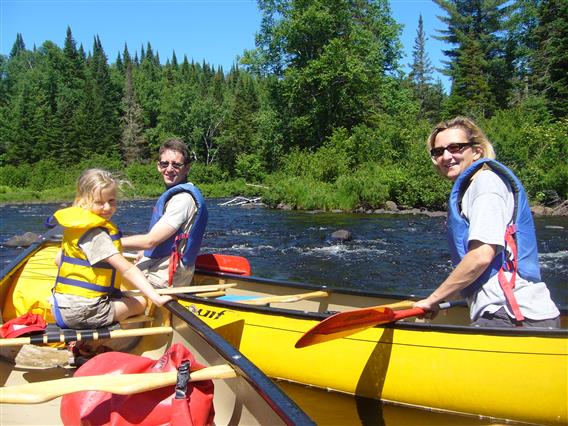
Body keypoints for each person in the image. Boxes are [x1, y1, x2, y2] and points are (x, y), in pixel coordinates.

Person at [414, 116, 560, 328]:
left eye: (455, 147)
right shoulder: (473, 187)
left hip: (513, 315)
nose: (446, 156)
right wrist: (445, 296)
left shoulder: (486, 184)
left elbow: (481, 256)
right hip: (507, 313)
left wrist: (433, 299)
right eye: (438, 151)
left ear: (477, 151)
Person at [51, 169, 172, 330]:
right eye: (99, 202)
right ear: (83, 201)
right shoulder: (96, 235)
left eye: (112, 200)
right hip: (83, 312)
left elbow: (58, 259)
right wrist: (155, 297)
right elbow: (127, 270)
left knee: (119, 295)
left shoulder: (75, 228)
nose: (107, 207)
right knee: (141, 302)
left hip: (59, 308)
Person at [121, 138, 208, 288]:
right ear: (158, 166)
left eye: (176, 164)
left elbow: (151, 240)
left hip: (163, 275)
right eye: (164, 164)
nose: (169, 169)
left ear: (187, 168)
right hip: (156, 265)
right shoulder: (175, 196)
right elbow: (154, 242)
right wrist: (144, 250)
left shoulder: (183, 200)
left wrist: (109, 243)